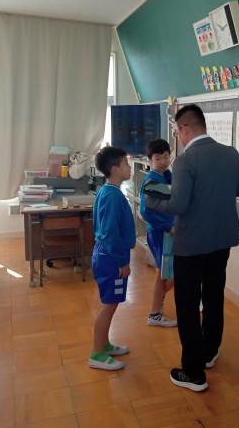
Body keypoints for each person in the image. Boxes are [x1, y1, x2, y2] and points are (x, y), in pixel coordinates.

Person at [145, 104, 239, 392]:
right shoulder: (231, 153)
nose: (178, 137)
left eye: (177, 132)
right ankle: (210, 352)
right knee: (214, 296)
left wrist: (152, 199)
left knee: (188, 305)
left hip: (190, 245)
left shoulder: (185, 161)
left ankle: (193, 372)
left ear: (185, 129)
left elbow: (178, 205)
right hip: (222, 241)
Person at [88, 146, 136, 371]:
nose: (130, 167)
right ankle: (97, 354)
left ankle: (104, 344)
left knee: (108, 302)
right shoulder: (113, 195)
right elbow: (109, 233)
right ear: (115, 169)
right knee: (108, 305)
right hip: (110, 258)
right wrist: (121, 261)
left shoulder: (107, 191)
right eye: (126, 163)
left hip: (106, 255)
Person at [139, 139, 178, 328]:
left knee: (164, 273)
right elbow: (145, 212)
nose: (163, 161)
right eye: (158, 158)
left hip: (165, 232)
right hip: (160, 233)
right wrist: (167, 227)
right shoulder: (152, 180)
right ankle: (155, 311)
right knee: (166, 273)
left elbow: (171, 194)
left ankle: (157, 308)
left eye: (166, 157)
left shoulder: (163, 176)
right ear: (150, 159)